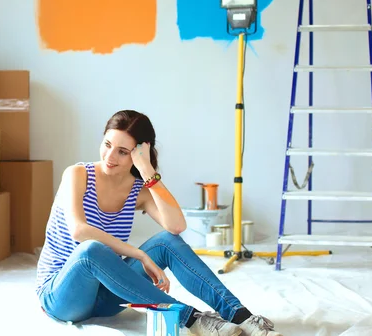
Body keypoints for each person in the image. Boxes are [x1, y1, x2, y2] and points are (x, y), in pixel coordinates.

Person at [35, 110, 281, 336]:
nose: (110, 157)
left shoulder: (137, 190)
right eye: (107, 145)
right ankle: (193, 319)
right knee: (91, 250)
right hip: (62, 297)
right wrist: (139, 255)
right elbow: (80, 231)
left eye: (123, 151)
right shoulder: (77, 175)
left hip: (108, 296)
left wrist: (147, 171)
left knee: (166, 241)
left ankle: (239, 314)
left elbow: (176, 226)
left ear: (138, 152)